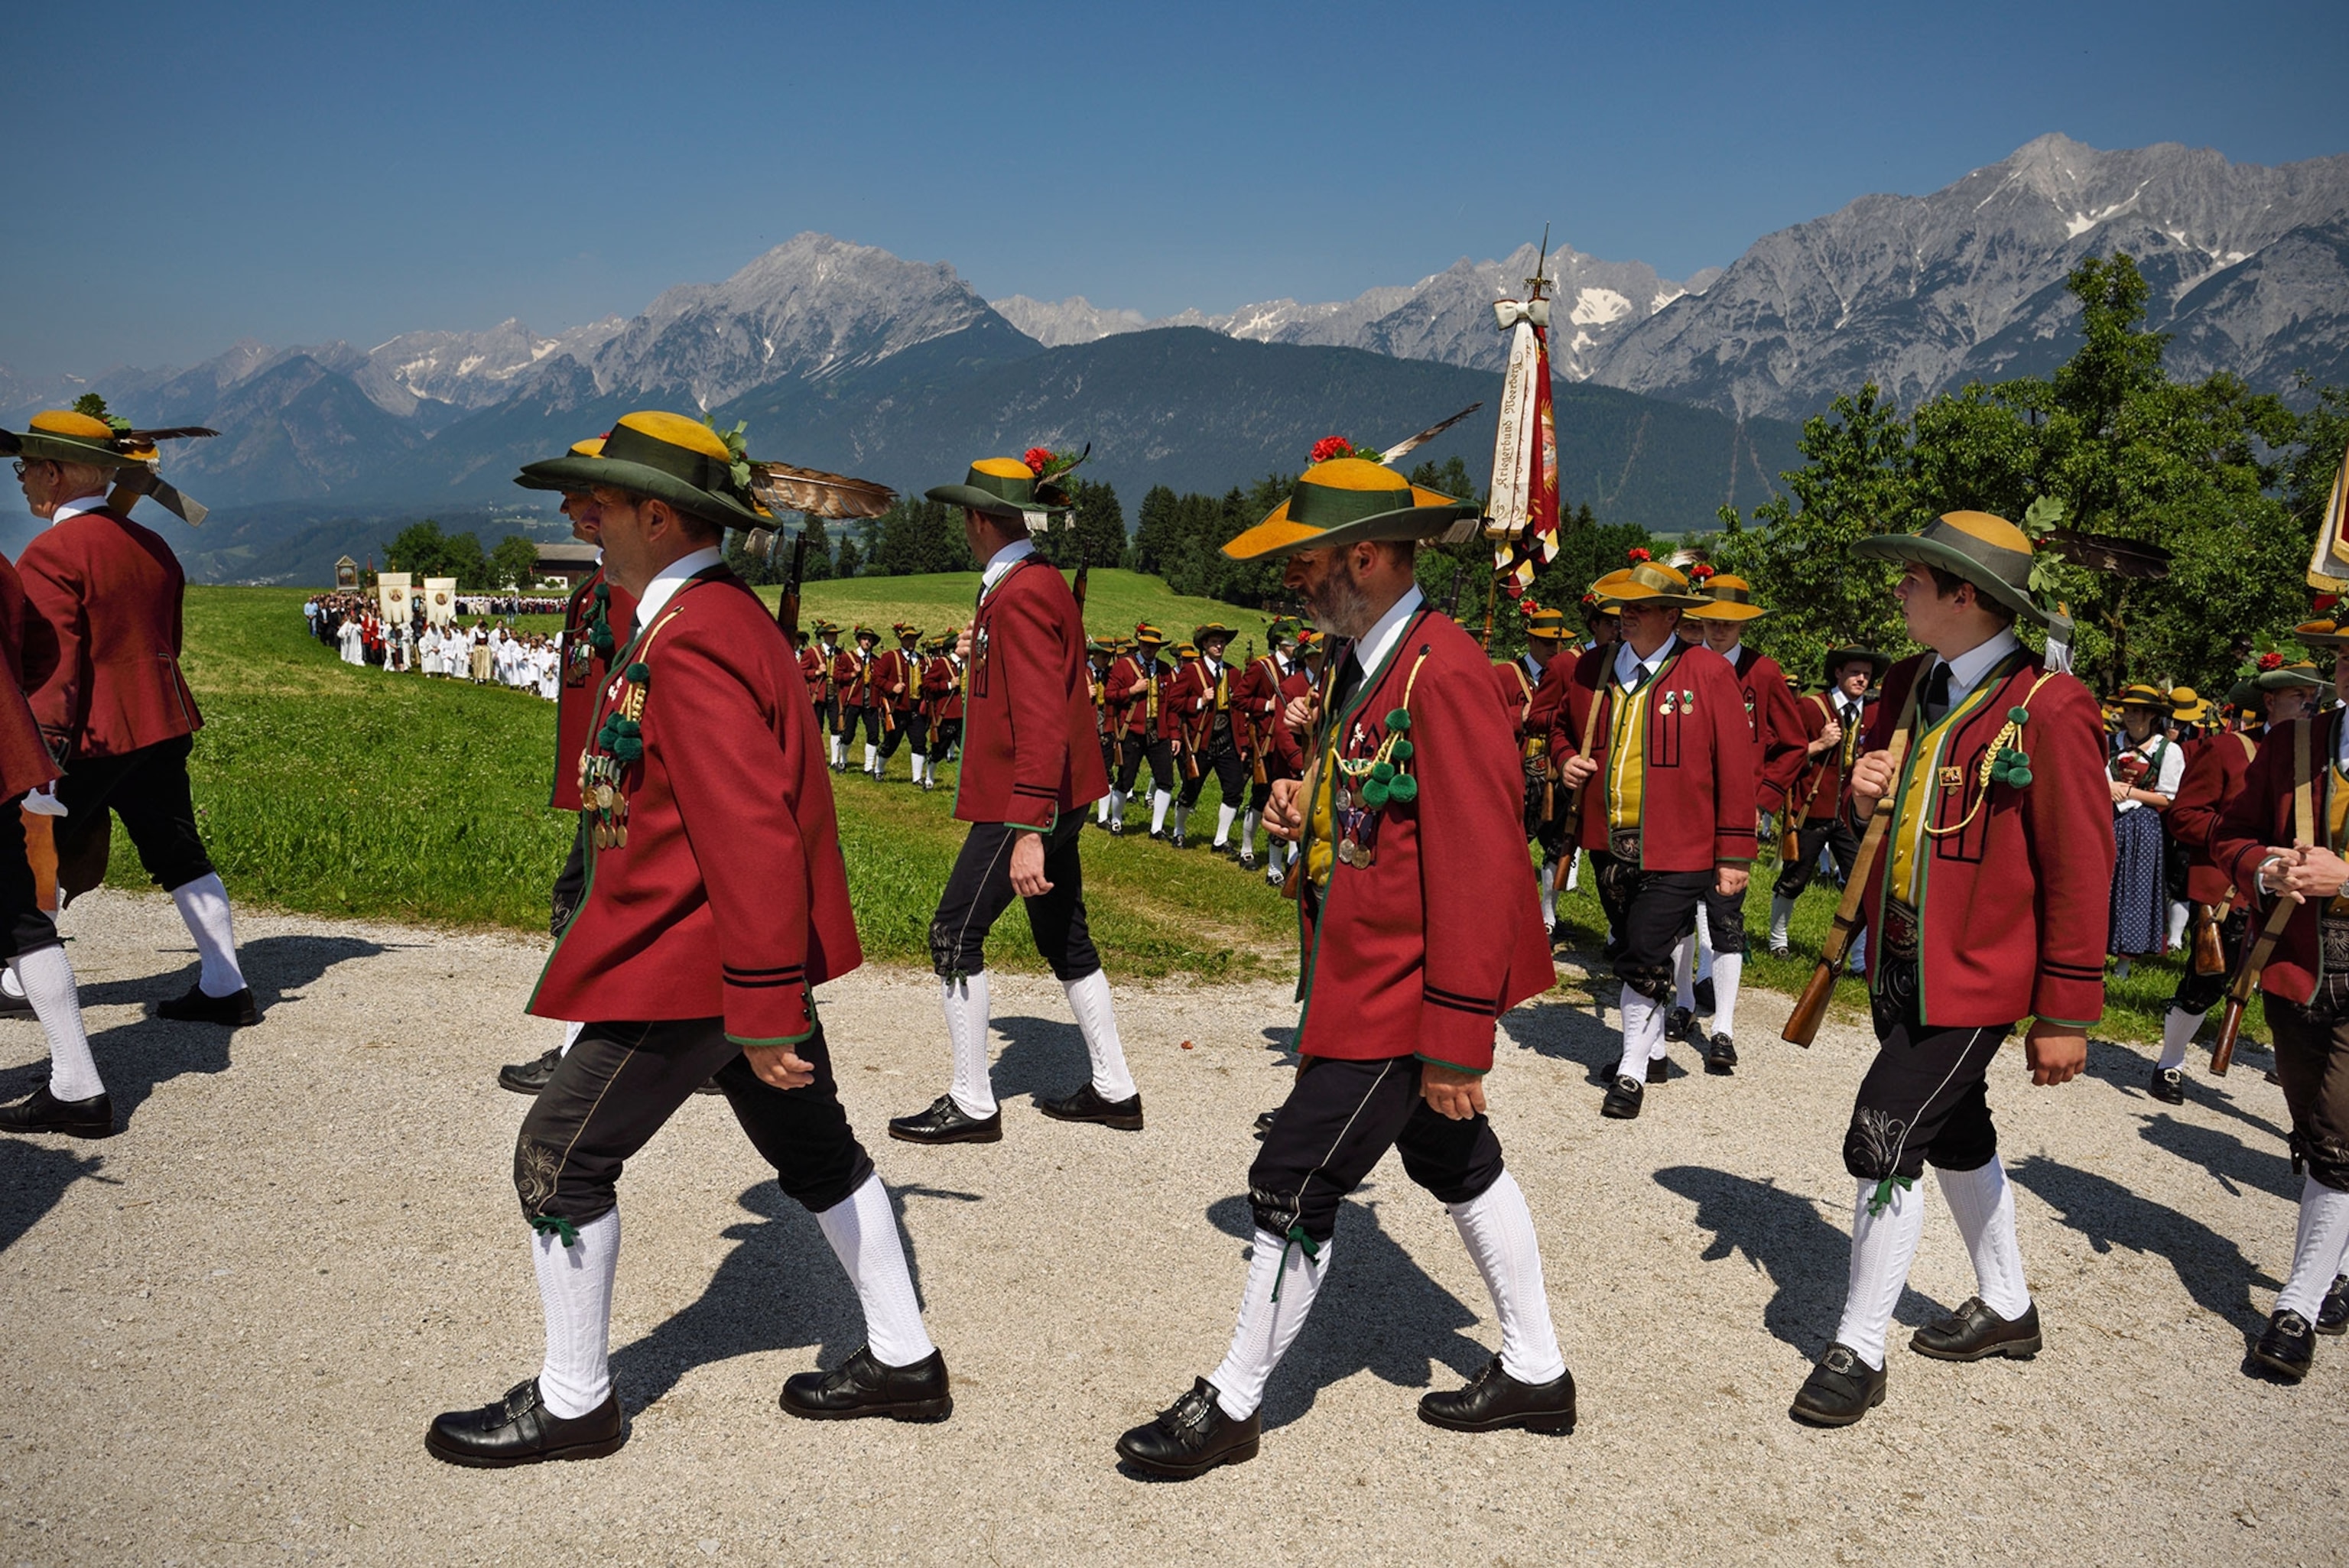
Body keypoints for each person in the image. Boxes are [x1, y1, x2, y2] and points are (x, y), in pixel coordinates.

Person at [427, 411, 949, 1467]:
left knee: (558, 1160)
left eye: (600, 500)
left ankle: (577, 1401)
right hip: (727, 957)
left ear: (659, 515)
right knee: (816, 1150)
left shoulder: (698, 632)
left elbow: (753, 837)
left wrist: (759, 1006)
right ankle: (904, 1355)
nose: (578, 512)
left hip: (697, 958)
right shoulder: (697, 611)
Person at [1115, 446, 1568, 1479]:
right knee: (1452, 1158)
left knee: (1290, 1174)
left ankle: (1232, 1401)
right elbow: (1384, 797)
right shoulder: (1379, 660)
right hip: (1369, 974)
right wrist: (1305, 798)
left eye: (1307, 560)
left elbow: (1479, 862)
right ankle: (1539, 1369)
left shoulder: (1443, 669)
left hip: (1405, 995)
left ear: (1365, 555)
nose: (1294, 579)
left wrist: (1457, 1037)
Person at [1787, 511, 2110, 1428]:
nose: (1898, 590)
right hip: (1897, 957)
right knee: (1956, 1130)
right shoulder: (1907, 681)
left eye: (1915, 579)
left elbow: (2084, 868)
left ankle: (1860, 1344)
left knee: (1883, 1130)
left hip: (1978, 970)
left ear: (1966, 595)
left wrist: (2068, 1011)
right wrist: (1860, 792)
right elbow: (1882, 818)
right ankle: (2009, 1307)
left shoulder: (2052, 706)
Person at [887, 455, 1141, 1144]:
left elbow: (1041, 718)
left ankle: (972, 1102)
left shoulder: (1022, 591)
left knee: (953, 932)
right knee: (1064, 935)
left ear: (977, 517)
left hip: (1025, 800)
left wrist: (1030, 825)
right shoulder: (1031, 582)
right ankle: (1115, 1088)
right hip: (1052, 795)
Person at [3, 407, 257, 1025]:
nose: (22, 479)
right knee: (179, 851)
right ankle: (227, 983)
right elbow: (169, 637)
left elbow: (52, 669)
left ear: (57, 474)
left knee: (33, 854)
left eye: (28, 467)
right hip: (162, 720)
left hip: (90, 734)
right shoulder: (154, 544)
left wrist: (42, 759)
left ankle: (19, 981)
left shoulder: (48, 553)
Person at [1547, 559, 1759, 1113]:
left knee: (1643, 951)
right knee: (1635, 945)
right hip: (1606, 840)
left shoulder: (1709, 673)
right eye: (1624, 608)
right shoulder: (1591, 667)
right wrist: (1567, 760)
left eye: (1640, 608)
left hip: (1682, 844)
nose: (1627, 617)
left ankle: (1632, 1072)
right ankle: (1656, 1054)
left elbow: (1737, 768)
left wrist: (1735, 851)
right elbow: (1560, 730)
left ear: (1672, 614)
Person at [2210, 616, 2349, 1381]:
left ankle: (2295, 1303)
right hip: (2297, 965)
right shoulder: (2298, 744)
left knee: (2336, 1133)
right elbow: (2228, 833)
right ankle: (2336, 1260)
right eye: (2345, 654)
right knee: (2313, 1126)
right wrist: (2265, 867)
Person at [498, 436, 638, 1096]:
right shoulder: (600, 586)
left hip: (621, 783)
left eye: (577, 495)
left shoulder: (631, 592)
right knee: (587, 900)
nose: (564, 508)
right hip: (599, 779)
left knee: (584, 903)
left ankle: (581, 1051)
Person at [2149, 665, 2322, 1102]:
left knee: (2301, 986)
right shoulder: (2228, 749)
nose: (2308, 703)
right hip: (2228, 890)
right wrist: (2243, 845)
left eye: (2311, 696)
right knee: (2206, 981)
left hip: (2292, 890)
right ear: (2269, 701)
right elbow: (2184, 815)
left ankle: (2301, 1074)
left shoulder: (2317, 756)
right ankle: (2170, 1063)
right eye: (2297, 695)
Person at [1667, 570, 1807, 1072]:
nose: (1719, 629)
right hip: (1683, 814)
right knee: (1679, 915)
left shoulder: (1763, 672)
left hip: (1736, 819)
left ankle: (1723, 1026)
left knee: (1726, 916)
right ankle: (1683, 1002)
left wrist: (1763, 801)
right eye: (1710, 621)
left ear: (1743, 623)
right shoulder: (1683, 664)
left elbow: (1792, 744)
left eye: (1729, 622)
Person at [1769, 648, 1889, 959]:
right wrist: (1819, 744)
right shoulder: (1811, 707)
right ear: (1838, 673)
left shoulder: (1875, 714)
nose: (1862, 679)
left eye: (1866, 674)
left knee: (1862, 884)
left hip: (1853, 815)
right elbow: (1782, 754)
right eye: (1854, 672)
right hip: (1812, 810)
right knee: (1794, 879)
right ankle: (1777, 939)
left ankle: (1859, 958)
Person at [2107, 683, 2184, 977]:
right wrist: (2108, 788)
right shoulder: (2110, 743)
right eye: (2127, 710)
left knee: (2135, 889)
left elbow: (2168, 798)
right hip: (2108, 819)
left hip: (2144, 827)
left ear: (2153, 716)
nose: (2130, 716)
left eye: (2137, 711)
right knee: (2103, 886)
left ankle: (2124, 963)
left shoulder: (2169, 750)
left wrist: (2129, 792)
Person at [1168, 623, 1248, 855]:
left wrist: (1242, 743)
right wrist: (1200, 701)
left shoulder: (1233, 673)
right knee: (1190, 791)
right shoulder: (1192, 671)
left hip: (1227, 741)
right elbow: (1174, 703)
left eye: (1222, 642)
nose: (1219, 646)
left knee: (1234, 790)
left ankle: (1221, 840)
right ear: (1205, 645)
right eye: (1214, 642)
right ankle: (1179, 831)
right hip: (1200, 742)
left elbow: (1240, 711)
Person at [1231, 620, 1302, 878]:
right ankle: (1246, 849)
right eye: (1292, 641)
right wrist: (1266, 706)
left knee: (1289, 802)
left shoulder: (1302, 669)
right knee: (1260, 799)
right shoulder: (1261, 668)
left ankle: (1287, 859)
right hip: (1266, 745)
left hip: (1291, 744)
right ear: (1280, 644)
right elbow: (1238, 699)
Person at [1106, 625, 1176, 839]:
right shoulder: (1123, 666)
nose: (1148, 649)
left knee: (1165, 780)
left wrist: (1174, 735)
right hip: (1132, 731)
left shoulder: (1165, 670)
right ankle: (1116, 820)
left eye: (1153, 646)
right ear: (1139, 643)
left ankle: (1157, 828)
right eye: (1145, 644)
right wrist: (1132, 691)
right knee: (1126, 779)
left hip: (1158, 732)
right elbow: (1109, 695)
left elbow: (1172, 706)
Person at [872, 624, 927, 785]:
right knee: (891, 742)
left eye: (913, 638)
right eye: (908, 638)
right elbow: (876, 677)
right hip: (898, 708)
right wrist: (892, 687)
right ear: (901, 640)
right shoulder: (890, 657)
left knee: (919, 742)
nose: (911, 641)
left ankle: (917, 778)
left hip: (916, 709)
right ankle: (879, 769)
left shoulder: (921, 660)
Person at [840, 627, 881, 777]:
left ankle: (869, 767)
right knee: (848, 733)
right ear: (859, 640)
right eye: (865, 639)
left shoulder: (877, 661)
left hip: (871, 702)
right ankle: (843, 761)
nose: (867, 642)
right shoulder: (848, 657)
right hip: (854, 700)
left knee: (873, 734)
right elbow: (837, 677)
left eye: (870, 640)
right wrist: (853, 674)